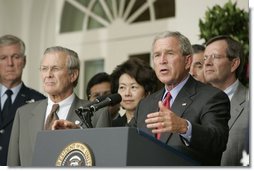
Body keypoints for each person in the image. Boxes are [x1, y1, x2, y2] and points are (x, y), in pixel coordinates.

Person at [131, 31, 230, 165]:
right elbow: (129, 142)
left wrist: (184, 127)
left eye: (170, 53)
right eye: (157, 55)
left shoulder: (212, 97)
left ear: (188, 61)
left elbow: (217, 141)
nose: (162, 60)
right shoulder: (145, 104)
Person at [7, 46, 111, 166]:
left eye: (55, 68)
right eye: (44, 69)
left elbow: (103, 164)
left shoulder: (98, 113)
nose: (48, 74)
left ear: (73, 75)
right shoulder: (23, 114)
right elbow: (13, 165)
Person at [203, 35, 249, 166]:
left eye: (215, 57)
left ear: (234, 63)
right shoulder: (195, 103)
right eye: (205, 58)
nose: (207, 63)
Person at [0, 35, 46, 166]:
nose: (10, 63)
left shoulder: (39, 102)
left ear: (24, 61)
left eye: (16, 57)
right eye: (3, 58)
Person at [110, 58, 158, 127]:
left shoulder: (154, 123)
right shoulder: (113, 126)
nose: (127, 93)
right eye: (122, 87)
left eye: (133, 87)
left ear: (147, 92)